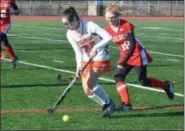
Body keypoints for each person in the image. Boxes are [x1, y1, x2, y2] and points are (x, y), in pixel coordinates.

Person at [104, 3, 175, 111]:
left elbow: (132, 46)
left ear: (118, 16)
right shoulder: (108, 29)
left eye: (112, 18)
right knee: (118, 77)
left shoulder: (126, 25)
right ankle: (126, 104)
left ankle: (166, 85)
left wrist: (123, 62)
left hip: (137, 53)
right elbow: (104, 43)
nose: (110, 21)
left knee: (143, 81)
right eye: (108, 18)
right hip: (125, 55)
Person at [61, 7, 116, 117]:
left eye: (68, 23)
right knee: (87, 90)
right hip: (87, 58)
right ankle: (107, 103)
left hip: (101, 56)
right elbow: (78, 52)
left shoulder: (90, 25)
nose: (67, 26)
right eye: (64, 24)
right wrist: (78, 68)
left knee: (91, 83)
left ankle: (109, 105)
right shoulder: (70, 34)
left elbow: (108, 37)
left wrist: (96, 47)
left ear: (76, 19)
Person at [0, 0, 20, 68]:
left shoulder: (10, 0)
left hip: (6, 24)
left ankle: (2, 55)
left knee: (1, 36)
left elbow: (14, 6)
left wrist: (16, 10)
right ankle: (14, 58)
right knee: (5, 42)